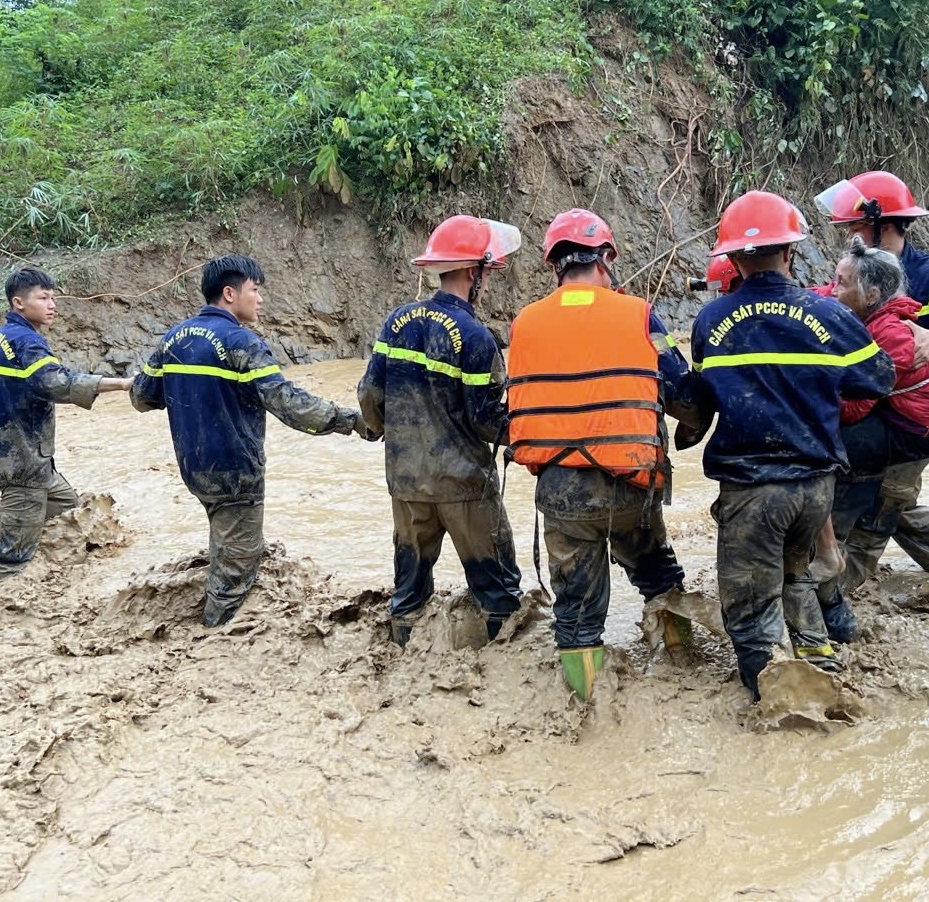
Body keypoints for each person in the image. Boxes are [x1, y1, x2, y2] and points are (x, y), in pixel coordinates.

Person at [690, 191, 895, 700]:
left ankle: (774, 708)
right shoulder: (827, 315)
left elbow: (700, 402)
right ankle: (822, 664)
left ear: (732, 258)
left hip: (752, 492)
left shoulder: (711, 322)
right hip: (815, 492)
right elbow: (879, 378)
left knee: (750, 608)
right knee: (796, 574)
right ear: (792, 252)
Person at [506, 208, 701, 701]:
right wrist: (692, 427)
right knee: (658, 576)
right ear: (607, 257)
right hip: (629, 485)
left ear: (555, 266)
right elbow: (681, 389)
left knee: (574, 614)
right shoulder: (641, 314)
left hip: (560, 490)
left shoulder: (525, 323)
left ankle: (586, 707)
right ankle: (686, 667)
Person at [132, 254, 371, 627]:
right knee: (235, 575)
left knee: (224, 541)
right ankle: (213, 637)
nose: (260, 299)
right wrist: (354, 421)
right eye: (255, 290)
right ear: (230, 293)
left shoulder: (173, 338)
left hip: (194, 468)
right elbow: (290, 405)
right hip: (235, 472)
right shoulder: (242, 343)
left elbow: (142, 397)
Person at [815, 171, 929, 589]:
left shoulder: (928, 274)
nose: (848, 237)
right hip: (883, 404)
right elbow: (826, 299)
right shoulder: (862, 265)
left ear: (886, 224)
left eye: (856, 227)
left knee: (887, 501)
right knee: (888, 496)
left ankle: (841, 595)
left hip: (917, 416)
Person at [357, 215, 523, 647]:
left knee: (409, 588)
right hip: (464, 486)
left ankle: (404, 656)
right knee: (498, 589)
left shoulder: (396, 321)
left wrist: (381, 430)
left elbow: (370, 396)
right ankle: (501, 665)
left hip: (407, 483)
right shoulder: (476, 337)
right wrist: (526, 432)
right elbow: (487, 421)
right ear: (475, 272)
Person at [814, 239, 929, 642]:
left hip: (914, 430)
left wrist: (808, 396)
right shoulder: (869, 305)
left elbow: (857, 406)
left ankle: (834, 571)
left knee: (835, 455)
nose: (833, 290)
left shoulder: (890, 335)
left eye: (842, 285)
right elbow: (820, 295)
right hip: (898, 410)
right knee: (897, 505)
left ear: (871, 295)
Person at [0, 268, 133, 588]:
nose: (52, 305)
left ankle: (58, 569)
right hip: (22, 458)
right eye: (44, 298)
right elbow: (55, 383)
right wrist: (120, 384)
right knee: (12, 559)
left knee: (68, 509)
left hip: (18, 456)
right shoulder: (28, 343)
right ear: (18, 303)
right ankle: (2, 593)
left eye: (53, 298)